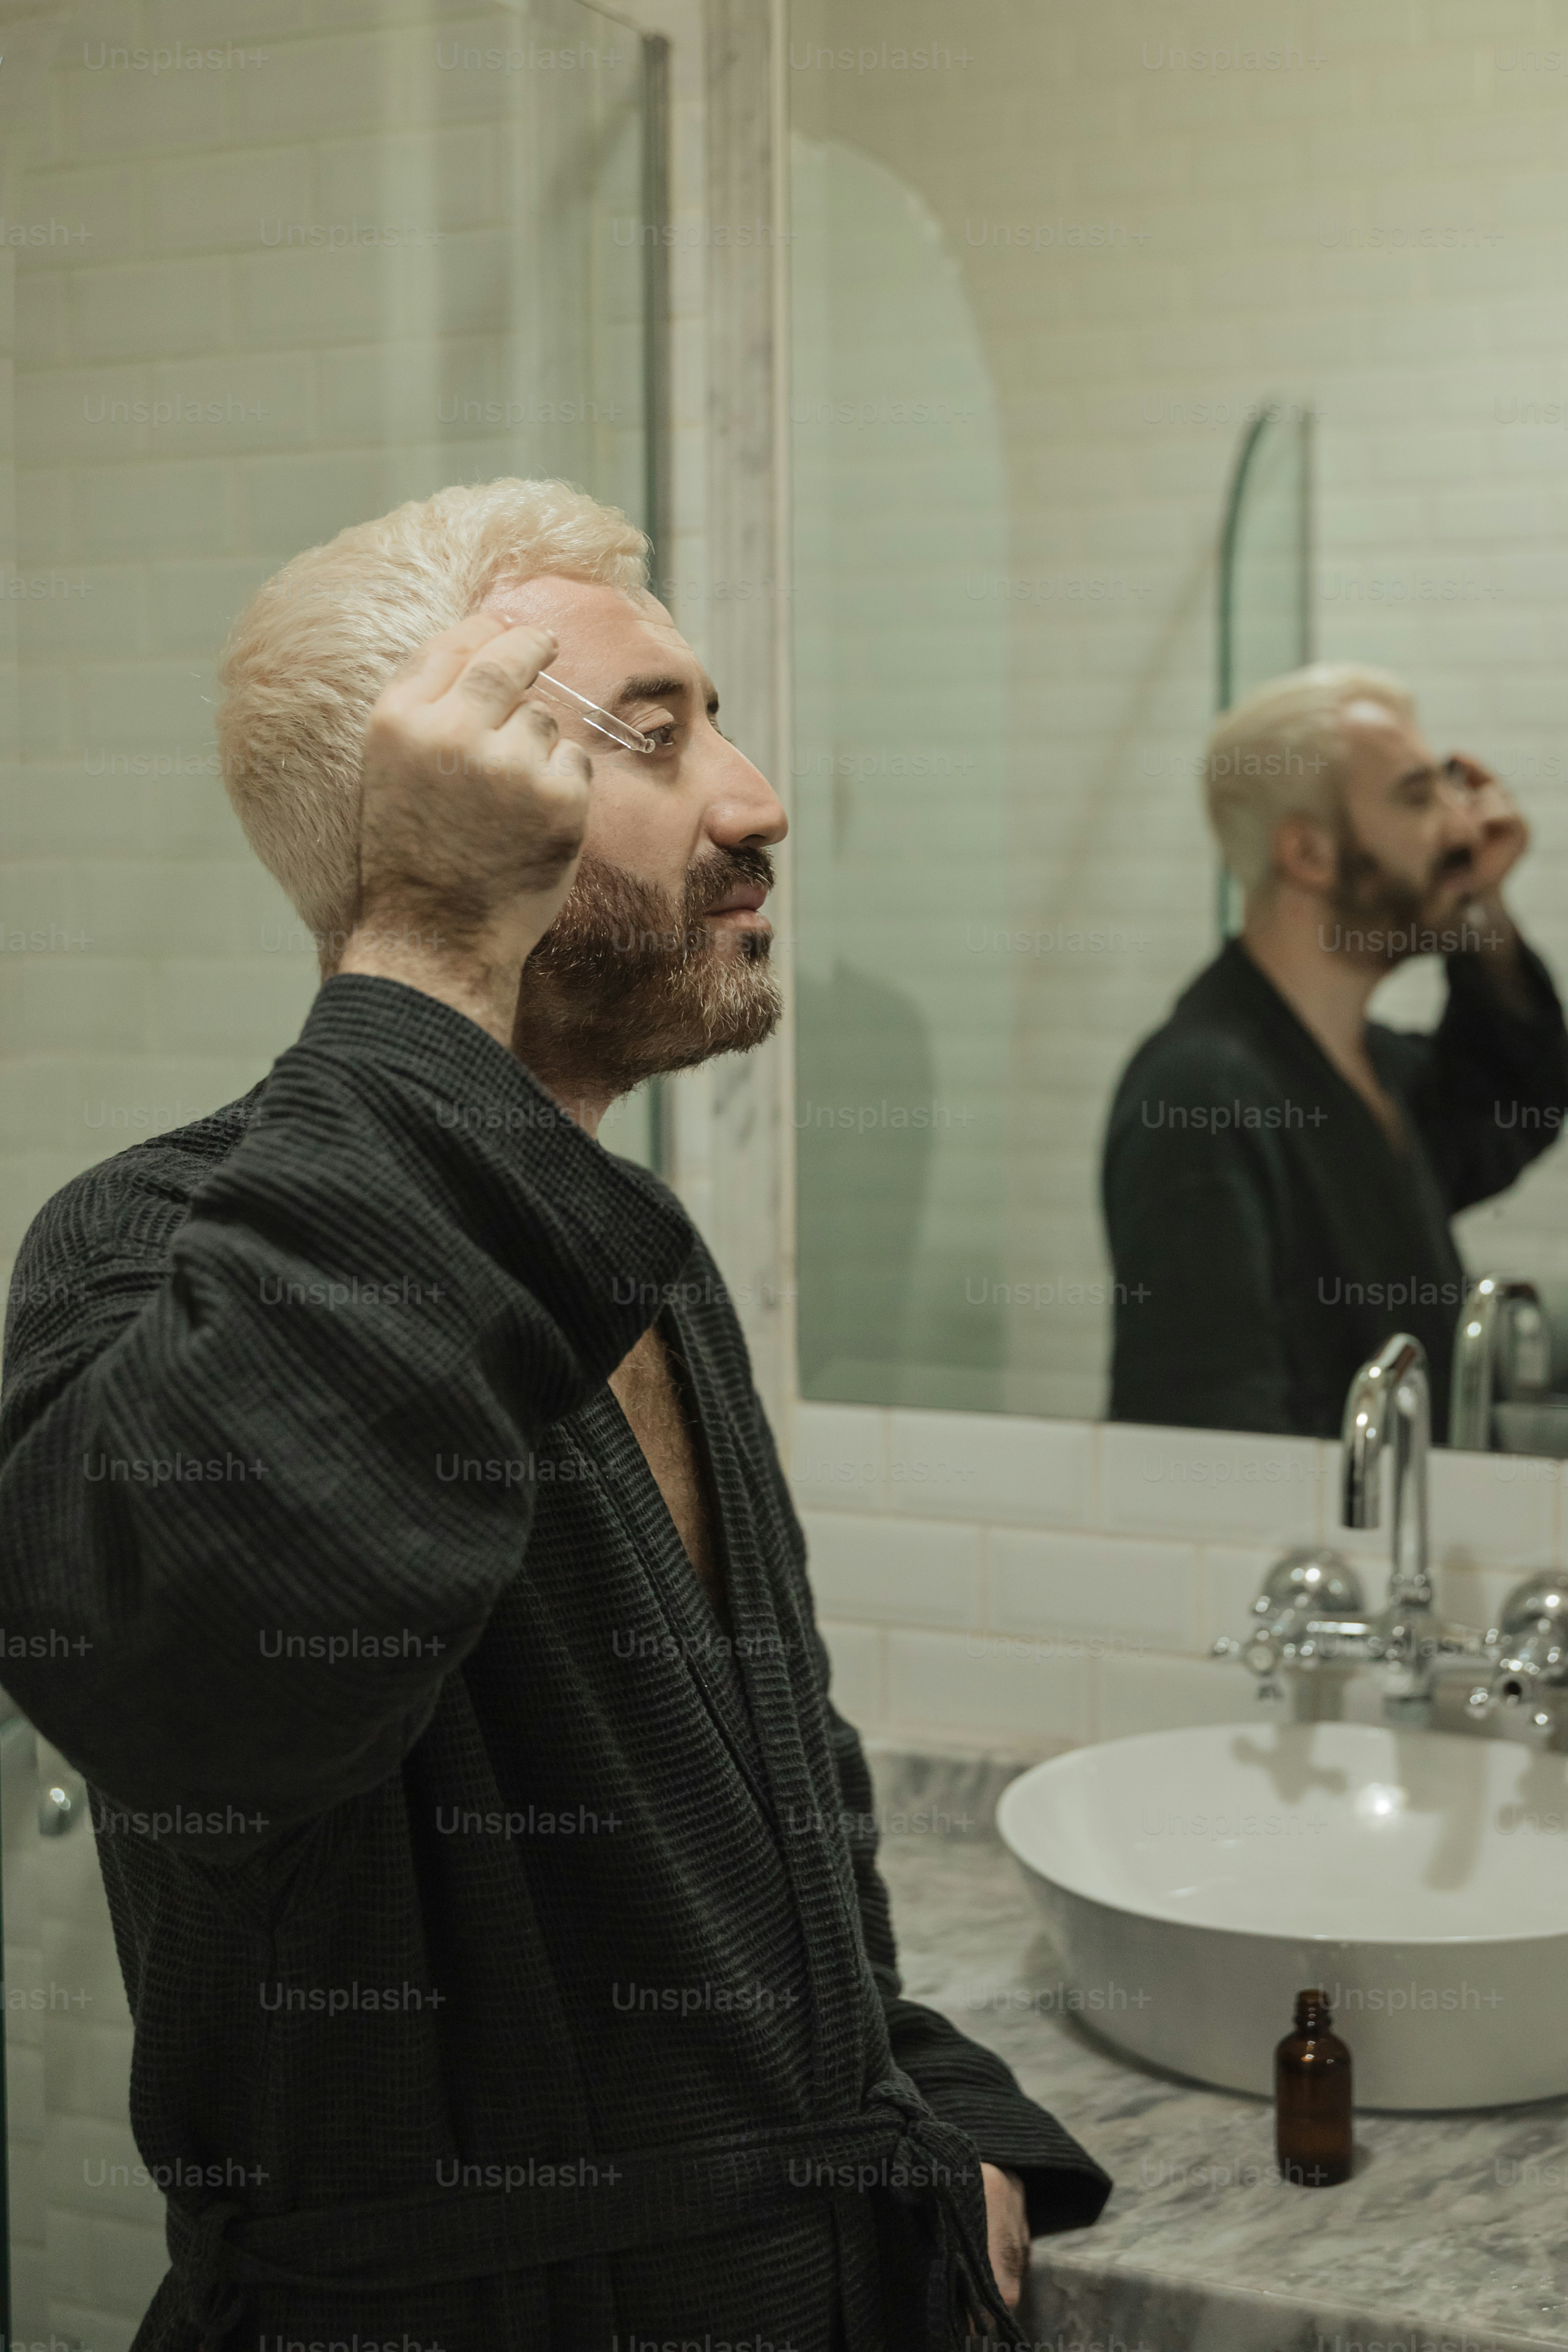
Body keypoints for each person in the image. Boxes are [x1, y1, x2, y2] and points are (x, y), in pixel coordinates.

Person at [0, 478, 1109, 2352]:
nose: (755, 798)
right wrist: (428, 937)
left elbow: (771, 1804)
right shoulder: (154, 1245)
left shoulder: (636, 1250)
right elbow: (201, 1682)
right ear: (446, 800)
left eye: (720, 721)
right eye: (659, 739)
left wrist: (928, 2115)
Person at [1102, 661, 1568, 1441]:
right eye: (1418, 798)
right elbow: (1201, 1433)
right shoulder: (1200, 1096)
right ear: (1308, 855)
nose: (1459, 826)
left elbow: (1516, 1096)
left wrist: (1477, 894)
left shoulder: (1371, 1071)